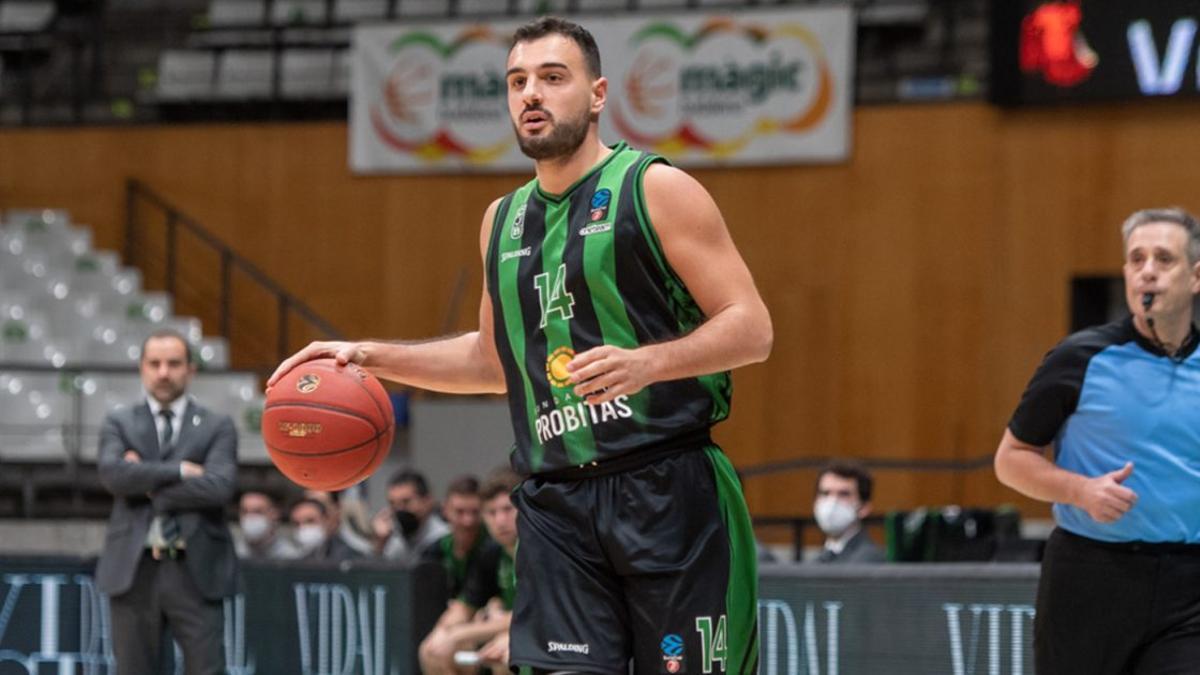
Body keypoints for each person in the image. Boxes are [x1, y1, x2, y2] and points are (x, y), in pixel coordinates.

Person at [269, 16, 771, 673]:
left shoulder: (655, 189)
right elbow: (492, 360)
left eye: (552, 78)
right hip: (556, 502)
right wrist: (370, 356)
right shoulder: (501, 222)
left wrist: (649, 362)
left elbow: (752, 327)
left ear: (597, 94)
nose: (530, 93)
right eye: (516, 81)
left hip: (668, 486)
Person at [995, 207, 1200, 675]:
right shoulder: (1079, 358)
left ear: (1195, 277)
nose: (1147, 270)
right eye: (1136, 259)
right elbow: (1011, 459)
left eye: (1163, 259)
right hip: (1091, 576)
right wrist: (1080, 491)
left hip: (1189, 587)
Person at [95, 329, 238, 675]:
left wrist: (144, 482)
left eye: (173, 363)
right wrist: (180, 471)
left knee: (208, 670)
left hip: (196, 568)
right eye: (154, 363)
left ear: (190, 370)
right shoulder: (119, 421)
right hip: (134, 568)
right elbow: (114, 476)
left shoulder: (218, 425)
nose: (163, 372)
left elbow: (219, 486)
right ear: (142, 368)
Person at [418, 469, 519, 675]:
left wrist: (459, 634)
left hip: (544, 633)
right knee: (431, 650)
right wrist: (442, 631)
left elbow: (533, 615)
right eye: (492, 512)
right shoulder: (491, 553)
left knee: (507, 656)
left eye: (507, 510)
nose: (500, 520)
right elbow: (464, 607)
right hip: (507, 629)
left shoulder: (539, 550)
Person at [420, 475, 490, 600]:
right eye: (460, 512)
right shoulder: (433, 552)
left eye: (475, 512)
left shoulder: (495, 549)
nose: (468, 521)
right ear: (445, 510)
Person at [372, 469, 450, 565]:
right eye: (392, 504)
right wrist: (380, 543)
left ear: (427, 501)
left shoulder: (445, 538)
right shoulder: (393, 538)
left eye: (406, 502)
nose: (399, 509)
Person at [813, 461, 885, 564]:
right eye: (825, 493)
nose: (832, 502)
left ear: (864, 508)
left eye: (843, 494)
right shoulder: (818, 559)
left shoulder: (870, 561)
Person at [290, 497, 364, 564]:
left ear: (326, 520)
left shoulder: (347, 555)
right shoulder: (293, 557)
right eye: (297, 524)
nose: (303, 528)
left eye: (310, 521)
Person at [235, 490, 302, 561]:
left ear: (274, 514)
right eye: (245, 511)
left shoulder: (291, 556)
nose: (250, 517)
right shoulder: (233, 553)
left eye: (257, 511)